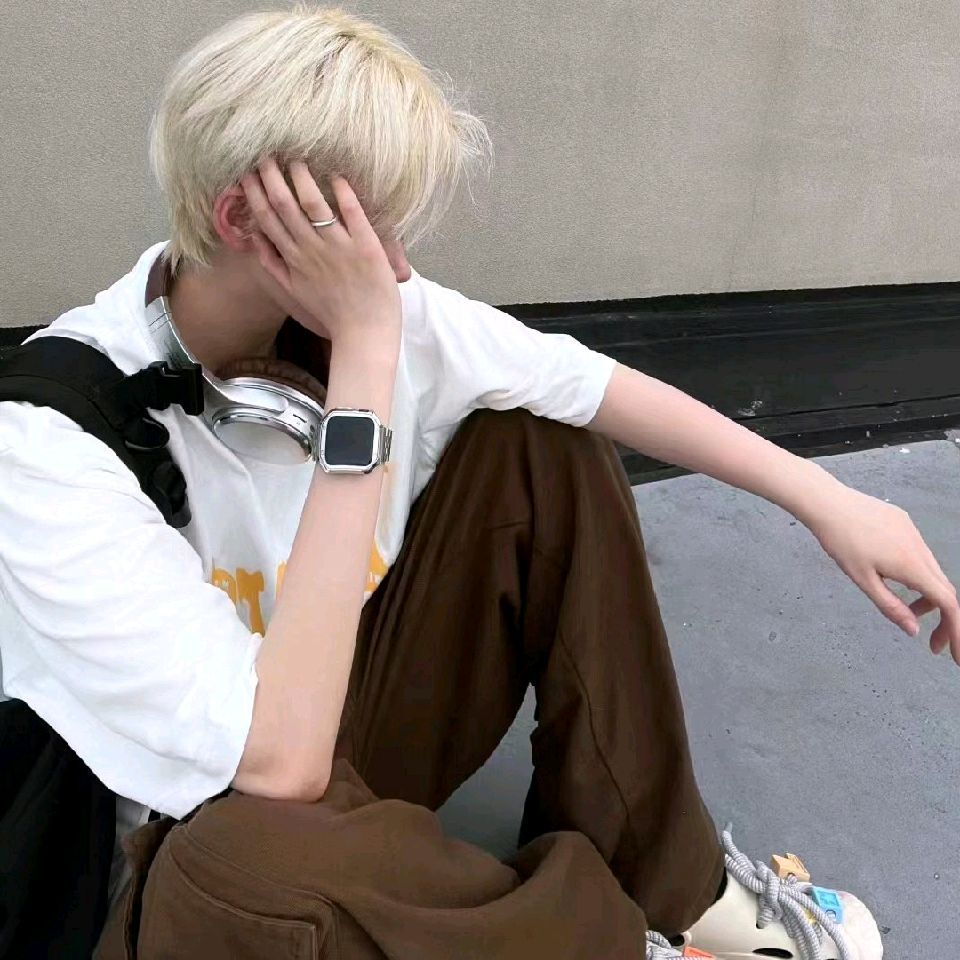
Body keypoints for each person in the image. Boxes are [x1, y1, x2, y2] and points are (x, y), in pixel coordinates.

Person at [0, 6, 956, 959]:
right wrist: (365, 364)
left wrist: (825, 498)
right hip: (179, 870)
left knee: (538, 444)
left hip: (332, 731)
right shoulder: (48, 442)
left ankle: (672, 885)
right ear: (248, 220)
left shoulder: (360, 308)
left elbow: (587, 382)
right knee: (245, 855)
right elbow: (279, 762)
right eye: (371, 230)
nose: (397, 268)